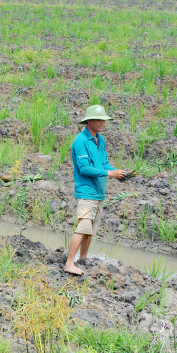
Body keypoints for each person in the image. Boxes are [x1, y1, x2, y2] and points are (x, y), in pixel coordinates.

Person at [65, 105, 125, 275]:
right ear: (88, 121)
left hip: (98, 191)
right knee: (83, 227)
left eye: (103, 120)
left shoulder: (100, 139)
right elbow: (84, 168)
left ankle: (82, 260)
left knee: (90, 231)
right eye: (98, 120)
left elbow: (104, 163)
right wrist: (109, 173)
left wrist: (118, 173)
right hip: (86, 191)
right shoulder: (80, 141)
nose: (102, 123)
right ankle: (70, 263)